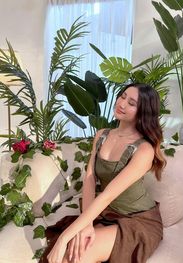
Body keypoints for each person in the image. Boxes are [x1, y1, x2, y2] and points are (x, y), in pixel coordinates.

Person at [40, 83, 166, 263]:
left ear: (143, 112)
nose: (121, 104)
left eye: (131, 103)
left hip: (137, 220)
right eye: (122, 96)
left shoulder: (144, 150)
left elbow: (107, 195)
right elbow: (90, 179)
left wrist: (64, 238)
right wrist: (86, 224)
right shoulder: (101, 135)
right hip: (106, 211)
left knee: (74, 256)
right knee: (66, 251)